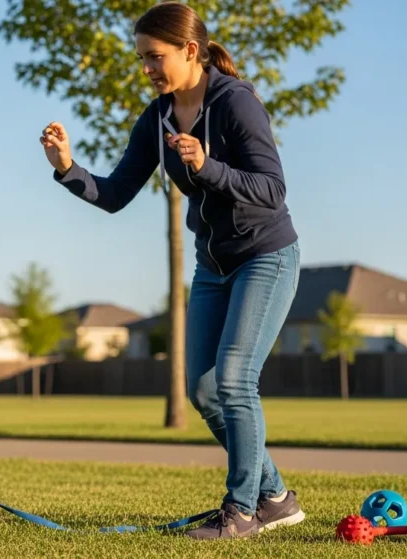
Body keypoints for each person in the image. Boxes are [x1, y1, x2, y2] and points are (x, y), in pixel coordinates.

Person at [39, 2, 304, 540]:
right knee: (204, 392)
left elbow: (273, 190)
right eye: (141, 59)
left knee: (234, 381)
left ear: (190, 50)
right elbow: (114, 194)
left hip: (265, 256)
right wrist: (67, 167)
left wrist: (207, 166)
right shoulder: (158, 116)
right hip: (214, 266)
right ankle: (274, 496)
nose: (147, 69)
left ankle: (243, 512)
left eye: (154, 57)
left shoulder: (237, 102)